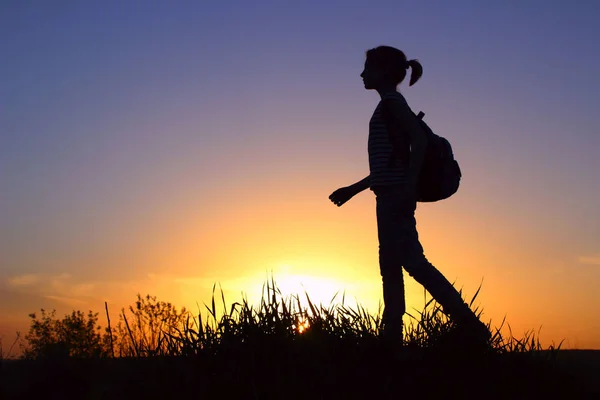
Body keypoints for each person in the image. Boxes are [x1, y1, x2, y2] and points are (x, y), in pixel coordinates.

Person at [329, 46, 490, 346]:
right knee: (390, 265)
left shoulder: (392, 103)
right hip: (387, 196)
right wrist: (353, 189)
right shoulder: (388, 106)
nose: (362, 74)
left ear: (383, 72)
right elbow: (390, 164)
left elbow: (418, 141)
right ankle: (391, 338)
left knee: (412, 263)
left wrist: (407, 188)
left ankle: (471, 327)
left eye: (368, 68)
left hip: (395, 198)